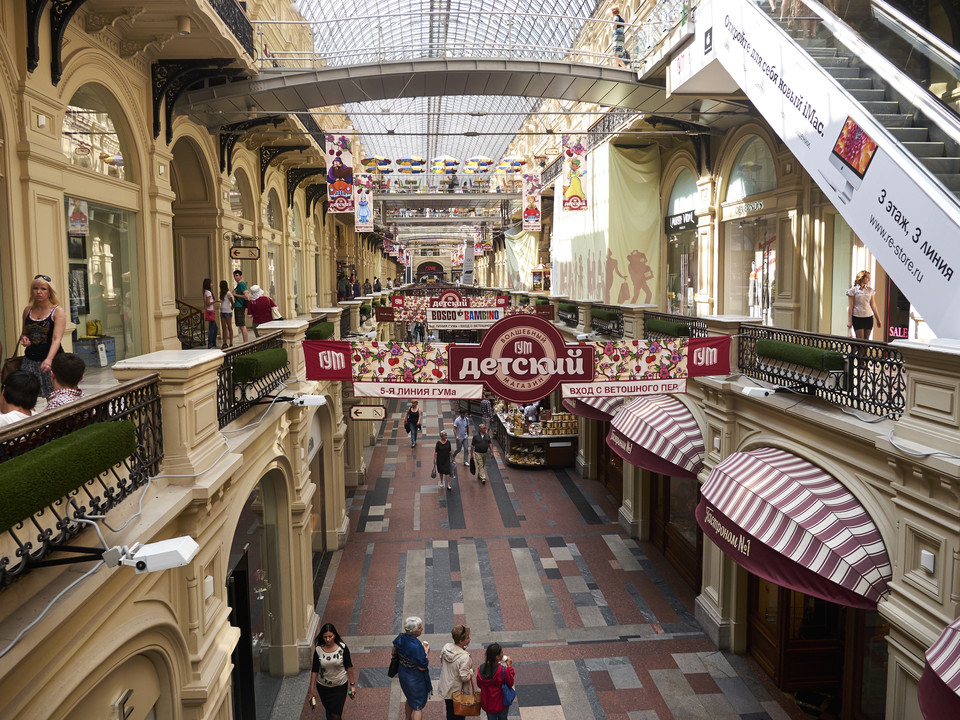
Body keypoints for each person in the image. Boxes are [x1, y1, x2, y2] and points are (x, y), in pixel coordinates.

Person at [19, 274, 66, 398]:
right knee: (25, 395)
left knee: (53, 396)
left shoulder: (57, 311)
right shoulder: (27, 310)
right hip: (30, 360)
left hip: (51, 359)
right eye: (35, 288)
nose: (39, 292)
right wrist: (25, 338)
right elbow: (24, 332)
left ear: (50, 292)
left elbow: (57, 338)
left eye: (43, 289)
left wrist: (49, 359)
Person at [309, 622, 357, 720]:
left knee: (336, 715)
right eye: (325, 637)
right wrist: (311, 689)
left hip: (340, 686)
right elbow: (314, 670)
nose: (328, 639)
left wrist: (352, 684)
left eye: (330, 636)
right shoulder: (318, 650)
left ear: (335, 635)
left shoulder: (342, 648)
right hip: (323, 687)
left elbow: (349, 666)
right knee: (330, 713)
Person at [392, 616, 431, 720]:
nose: (422, 628)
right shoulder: (416, 646)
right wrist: (426, 651)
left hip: (403, 674)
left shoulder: (400, 637)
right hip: (415, 678)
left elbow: (394, 651)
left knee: (409, 699)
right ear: (414, 632)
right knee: (417, 706)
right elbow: (422, 666)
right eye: (419, 627)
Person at [439, 625, 473, 720]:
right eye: (467, 638)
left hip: (446, 688)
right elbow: (464, 677)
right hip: (458, 692)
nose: (469, 639)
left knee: (450, 713)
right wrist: (471, 671)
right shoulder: (465, 657)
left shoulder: (446, 648)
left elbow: (442, 660)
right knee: (459, 715)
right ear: (461, 641)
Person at [476, 642, 514, 720]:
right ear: (497, 657)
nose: (503, 653)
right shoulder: (503, 670)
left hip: (488, 703)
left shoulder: (481, 669)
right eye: (501, 652)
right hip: (501, 703)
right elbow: (510, 683)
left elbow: (479, 684)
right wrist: (509, 666)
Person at [847, 270, 882, 340]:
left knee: (866, 340)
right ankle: (856, 350)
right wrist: (849, 321)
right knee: (860, 340)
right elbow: (850, 307)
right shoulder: (853, 290)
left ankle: (863, 351)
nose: (869, 279)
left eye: (869, 278)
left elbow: (873, 305)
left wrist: (878, 319)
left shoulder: (870, 290)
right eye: (867, 278)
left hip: (868, 317)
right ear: (861, 278)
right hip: (857, 317)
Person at [233, 269, 250, 344]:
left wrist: (235, 295)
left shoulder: (242, 284)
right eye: (234, 276)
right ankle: (245, 341)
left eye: (236, 275)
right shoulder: (239, 285)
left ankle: (245, 342)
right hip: (238, 305)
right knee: (241, 325)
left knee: (242, 325)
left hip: (240, 306)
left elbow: (246, 296)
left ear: (240, 276)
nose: (235, 277)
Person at [202, 278, 218, 349]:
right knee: (212, 328)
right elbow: (208, 303)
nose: (212, 284)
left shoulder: (205, 291)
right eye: (211, 283)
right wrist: (215, 301)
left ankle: (213, 343)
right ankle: (211, 344)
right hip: (209, 311)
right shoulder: (208, 292)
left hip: (209, 311)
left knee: (215, 328)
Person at [219, 280, 234, 349]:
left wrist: (231, 308)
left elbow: (232, 302)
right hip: (222, 311)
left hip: (228, 312)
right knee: (223, 328)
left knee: (229, 327)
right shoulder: (221, 293)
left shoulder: (228, 293)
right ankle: (224, 342)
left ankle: (231, 342)